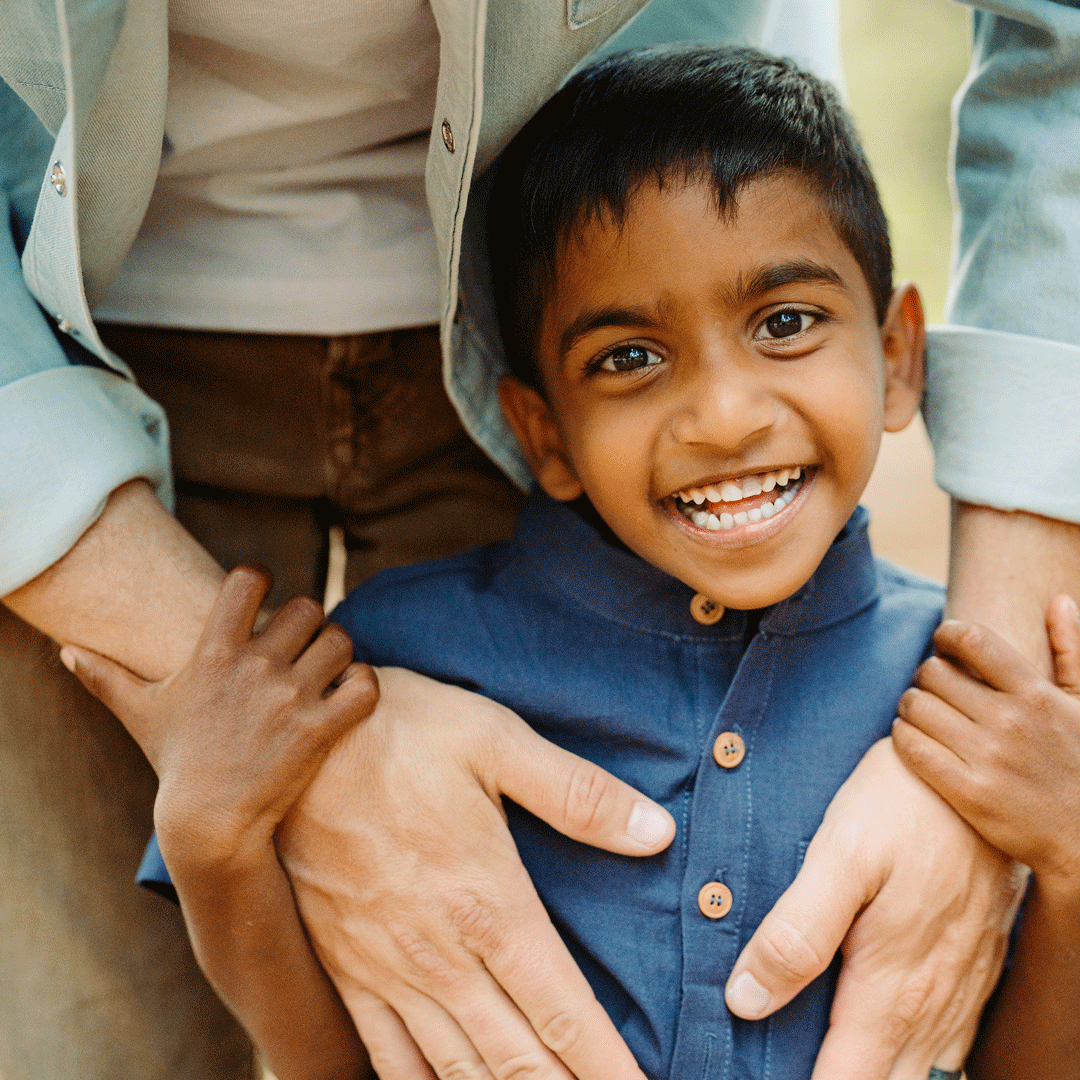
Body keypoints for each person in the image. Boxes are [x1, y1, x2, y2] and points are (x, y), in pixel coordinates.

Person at [1, 1, 1078, 1079]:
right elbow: (329, 1057)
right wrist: (212, 830)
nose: (726, 416)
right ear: (540, 433)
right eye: (629, 358)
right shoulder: (400, 662)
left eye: (784, 323)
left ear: (897, 357)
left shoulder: (964, 701)